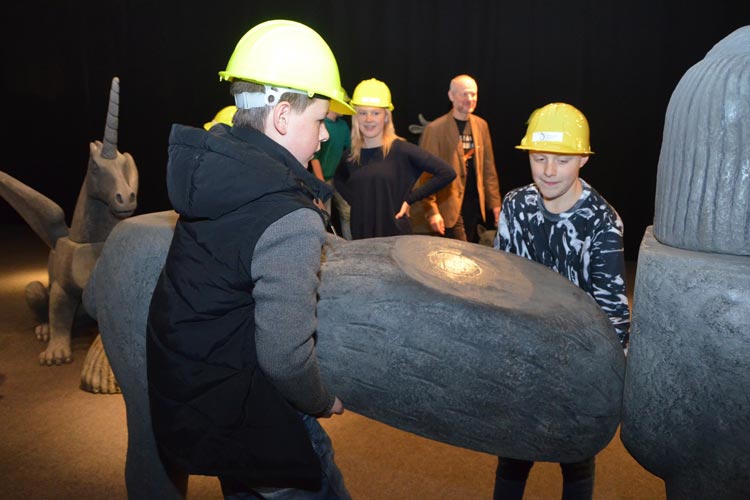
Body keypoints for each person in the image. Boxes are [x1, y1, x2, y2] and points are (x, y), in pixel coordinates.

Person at [145, 19, 355, 500]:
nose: (324, 136)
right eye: (320, 120)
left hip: (203, 402)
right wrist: (322, 400)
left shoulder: (218, 175)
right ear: (282, 118)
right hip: (254, 415)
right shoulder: (287, 216)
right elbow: (285, 356)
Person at [492, 102, 630, 500]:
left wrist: (610, 381)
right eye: (539, 158)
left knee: (577, 457)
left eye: (563, 160)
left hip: (578, 363)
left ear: (583, 158)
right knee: (513, 455)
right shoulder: (516, 206)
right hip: (522, 356)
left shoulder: (602, 223)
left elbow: (613, 312)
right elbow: (500, 282)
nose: (549, 171)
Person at [334, 78, 456, 239]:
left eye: (375, 113)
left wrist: (410, 200)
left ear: (385, 117)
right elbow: (339, 181)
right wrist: (359, 203)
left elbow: (447, 172)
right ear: (356, 117)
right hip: (361, 239)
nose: (368, 119)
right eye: (363, 113)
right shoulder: (350, 156)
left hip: (395, 239)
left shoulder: (402, 150)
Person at [418, 74, 502, 243]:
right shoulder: (435, 129)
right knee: (458, 254)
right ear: (451, 96)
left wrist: (495, 204)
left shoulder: (481, 125)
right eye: (464, 94)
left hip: (474, 206)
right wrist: (432, 211)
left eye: (473, 94)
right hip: (447, 207)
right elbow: (425, 175)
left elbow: (488, 168)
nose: (469, 98)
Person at [309, 108, 353, 239]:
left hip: (338, 179)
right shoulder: (321, 125)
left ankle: (349, 244)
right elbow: (314, 157)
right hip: (322, 179)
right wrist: (321, 181)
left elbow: (350, 148)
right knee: (324, 215)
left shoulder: (342, 125)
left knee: (347, 212)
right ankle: (325, 247)